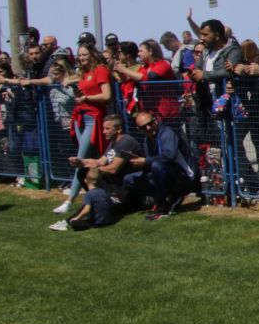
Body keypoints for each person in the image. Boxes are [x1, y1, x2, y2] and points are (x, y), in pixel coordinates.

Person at [49, 115, 141, 232]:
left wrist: (94, 168)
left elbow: (113, 169)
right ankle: (77, 216)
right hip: (112, 185)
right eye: (103, 129)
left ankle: (69, 221)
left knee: (93, 185)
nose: (103, 132)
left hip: (124, 189)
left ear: (118, 129)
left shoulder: (126, 142)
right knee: (83, 172)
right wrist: (82, 162)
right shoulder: (112, 143)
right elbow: (100, 161)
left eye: (107, 129)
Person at [54, 44, 114, 216]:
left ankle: (69, 200)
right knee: (91, 159)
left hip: (94, 118)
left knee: (80, 159)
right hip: (81, 117)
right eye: (80, 55)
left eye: (85, 54)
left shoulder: (100, 70)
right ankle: (101, 194)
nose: (82, 58)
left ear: (93, 54)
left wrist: (87, 97)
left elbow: (107, 95)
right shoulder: (83, 72)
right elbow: (67, 79)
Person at [125, 108, 198, 219]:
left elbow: (169, 156)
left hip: (184, 176)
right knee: (129, 179)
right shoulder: (147, 140)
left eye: (150, 124)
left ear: (155, 121)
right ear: (139, 129)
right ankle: (161, 199)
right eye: (144, 127)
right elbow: (151, 162)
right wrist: (141, 164)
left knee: (157, 166)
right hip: (164, 174)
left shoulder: (167, 132)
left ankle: (165, 202)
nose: (148, 128)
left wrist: (145, 161)